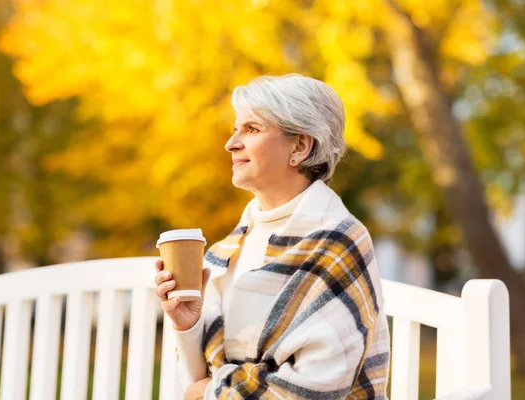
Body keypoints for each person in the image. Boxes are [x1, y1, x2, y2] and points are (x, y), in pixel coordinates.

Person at [154, 74, 390, 399]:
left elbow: (316, 387)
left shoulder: (338, 242)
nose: (231, 143)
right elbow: (197, 377)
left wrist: (209, 393)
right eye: (236, 128)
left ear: (300, 146)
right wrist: (187, 323)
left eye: (252, 129)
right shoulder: (226, 252)